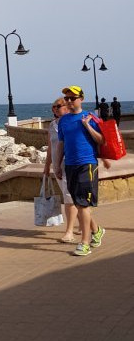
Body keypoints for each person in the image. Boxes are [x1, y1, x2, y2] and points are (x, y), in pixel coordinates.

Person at [57, 86, 105, 257]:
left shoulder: (90, 117)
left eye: (72, 98)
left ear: (81, 99)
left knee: (83, 204)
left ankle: (84, 243)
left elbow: (102, 140)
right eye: (66, 98)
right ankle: (97, 231)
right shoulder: (63, 121)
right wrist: (57, 165)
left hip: (87, 164)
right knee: (78, 203)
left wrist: (87, 126)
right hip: (70, 165)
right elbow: (61, 144)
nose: (69, 101)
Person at [43, 98, 77, 243]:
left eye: (58, 106)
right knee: (71, 197)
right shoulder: (52, 125)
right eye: (53, 107)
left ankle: (69, 232)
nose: (55, 109)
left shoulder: (72, 122)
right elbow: (51, 147)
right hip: (57, 167)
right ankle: (92, 227)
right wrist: (47, 166)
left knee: (69, 198)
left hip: (70, 165)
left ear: (67, 107)